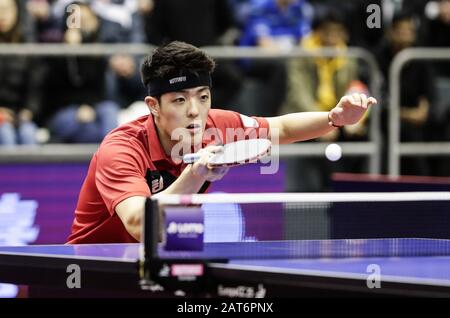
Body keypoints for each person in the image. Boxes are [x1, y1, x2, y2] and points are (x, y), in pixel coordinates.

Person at [67, 41, 376, 244]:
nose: (194, 111)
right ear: (153, 106)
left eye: (203, 97)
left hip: (152, 266)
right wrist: (195, 174)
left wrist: (334, 118)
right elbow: (139, 224)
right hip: (91, 273)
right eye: (179, 100)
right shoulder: (121, 149)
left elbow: (279, 128)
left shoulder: (215, 124)